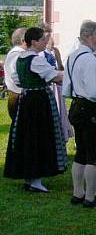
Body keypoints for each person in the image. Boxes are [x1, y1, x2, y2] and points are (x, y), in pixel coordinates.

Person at [3, 27, 67, 192]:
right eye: (43, 40)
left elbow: (18, 80)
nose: (45, 43)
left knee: (27, 137)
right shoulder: (35, 59)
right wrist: (72, 75)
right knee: (39, 137)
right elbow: (54, 76)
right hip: (38, 102)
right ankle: (36, 179)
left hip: (26, 100)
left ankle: (30, 177)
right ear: (34, 42)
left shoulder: (21, 58)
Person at [63, 20, 96, 208]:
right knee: (94, 155)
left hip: (76, 106)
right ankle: (90, 197)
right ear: (88, 37)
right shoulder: (89, 59)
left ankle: (78, 193)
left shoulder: (73, 56)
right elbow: (94, 91)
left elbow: (67, 86)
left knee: (81, 153)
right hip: (90, 109)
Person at [4, 27, 27, 120]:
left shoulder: (19, 53)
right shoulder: (17, 54)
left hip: (19, 94)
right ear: (23, 40)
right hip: (18, 95)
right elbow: (16, 76)